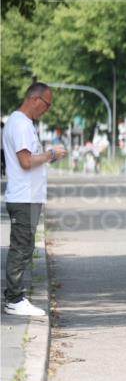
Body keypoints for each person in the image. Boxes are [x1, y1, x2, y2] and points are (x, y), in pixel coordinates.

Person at [2, 83, 66, 317]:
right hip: (23, 198)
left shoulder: (21, 123)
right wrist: (50, 154)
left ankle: (16, 296)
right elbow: (26, 162)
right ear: (36, 99)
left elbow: (29, 159)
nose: (46, 110)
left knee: (25, 246)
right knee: (21, 248)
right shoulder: (21, 124)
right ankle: (14, 299)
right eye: (47, 105)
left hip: (27, 196)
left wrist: (49, 158)